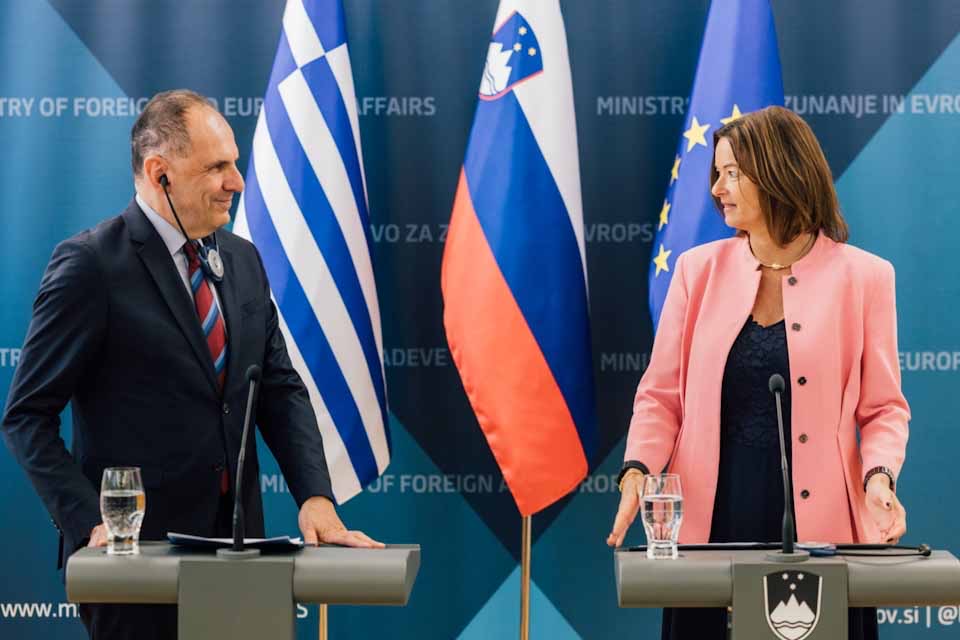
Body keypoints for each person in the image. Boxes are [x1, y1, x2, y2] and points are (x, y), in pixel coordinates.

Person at [2, 89, 383, 640]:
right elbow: (26, 417)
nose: (237, 182)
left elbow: (278, 387)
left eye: (235, 163)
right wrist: (91, 521)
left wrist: (315, 498)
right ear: (161, 174)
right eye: (217, 167)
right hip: (136, 566)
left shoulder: (243, 259)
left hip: (242, 555)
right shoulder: (90, 266)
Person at [607, 105, 909, 639]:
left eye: (732, 173)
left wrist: (878, 477)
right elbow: (660, 396)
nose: (717, 188)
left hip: (823, 527)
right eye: (717, 173)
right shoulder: (696, 272)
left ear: (778, 173)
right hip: (713, 518)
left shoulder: (865, 278)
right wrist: (637, 470)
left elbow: (883, 408)